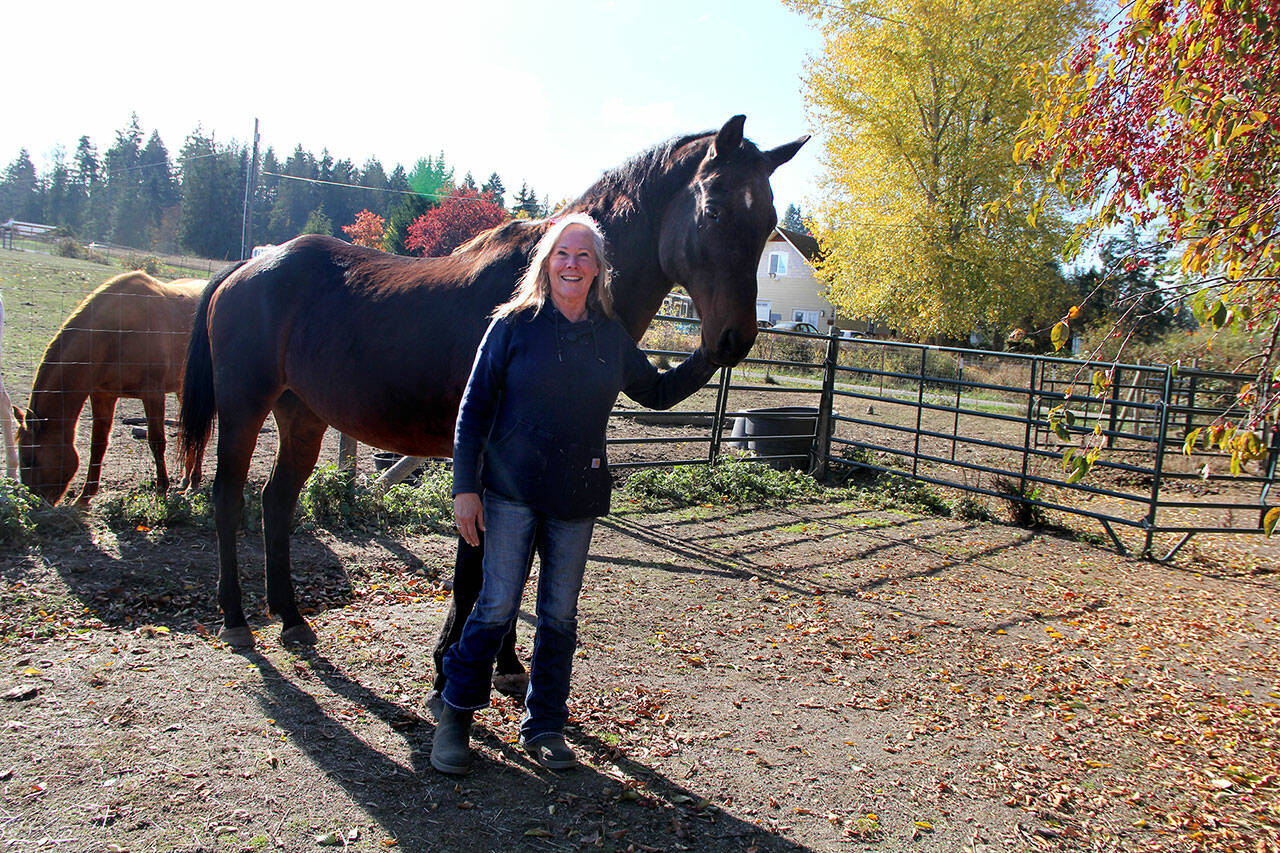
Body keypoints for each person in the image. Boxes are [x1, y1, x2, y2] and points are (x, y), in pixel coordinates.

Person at [433, 213, 717, 774]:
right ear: (547, 261)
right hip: (509, 494)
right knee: (494, 608)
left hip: (576, 497)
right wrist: (466, 488)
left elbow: (657, 393)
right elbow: (473, 411)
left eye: (584, 256)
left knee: (559, 617)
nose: (572, 263)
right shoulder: (512, 326)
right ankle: (455, 715)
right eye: (563, 253)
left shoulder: (610, 338)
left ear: (598, 270)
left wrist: (708, 355)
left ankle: (544, 726)